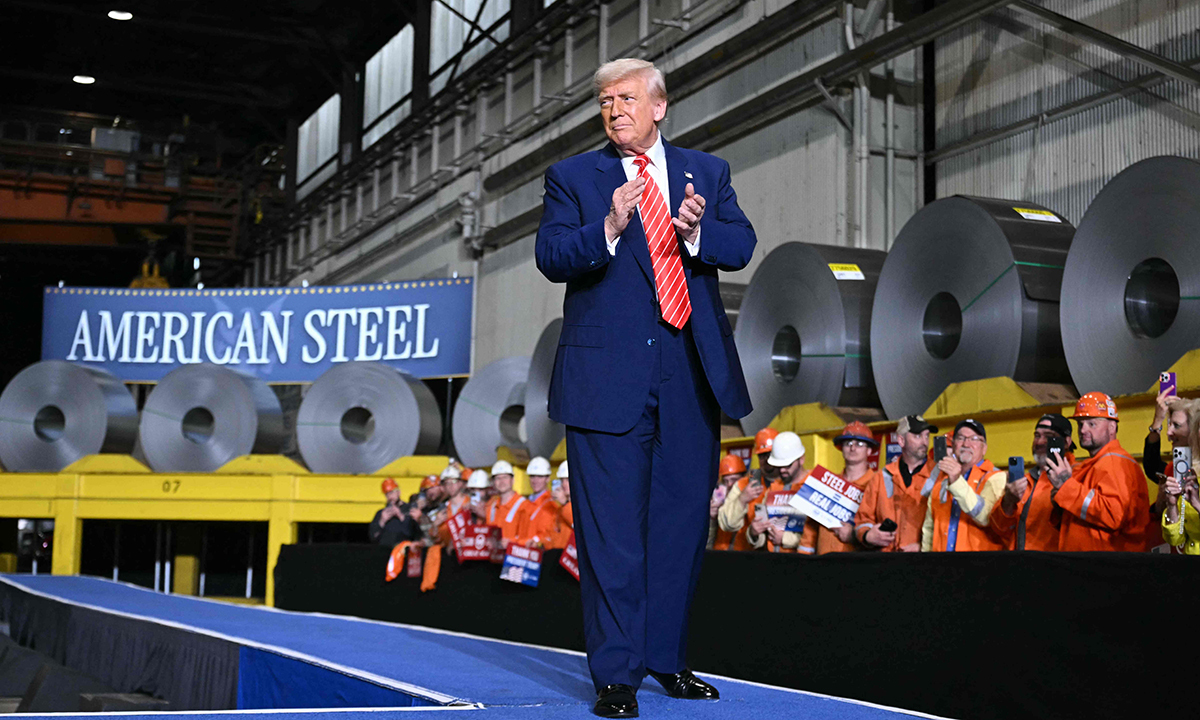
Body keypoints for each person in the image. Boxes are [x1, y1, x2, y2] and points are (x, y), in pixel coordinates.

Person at [535, 55, 756, 715]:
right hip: (606, 380)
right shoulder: (574, 177)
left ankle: (667, 658)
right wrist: (606, 227)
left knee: (681, 527)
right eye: (605, 101)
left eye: (626, 98)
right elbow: (551, 255)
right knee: (612, 535)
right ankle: (617, 674)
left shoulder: (706, 172)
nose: (614, 110)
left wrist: (697, 232)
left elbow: (741, 244)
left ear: (659, 106)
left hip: (690, 371)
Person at [1046, 392, 1149, 552]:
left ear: (1112, 427)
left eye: (1092, 424)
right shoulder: (1095, 464)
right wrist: (1059, 502)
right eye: (1080, 424)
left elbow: (1113, 515)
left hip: (1105, 562)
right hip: (1090, 561)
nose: (1083, 430)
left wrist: (1066, 487)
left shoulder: (1115, 463)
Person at [989, 414, 1076, 551]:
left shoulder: (1078, 476)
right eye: (1037, 435)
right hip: (1021, 562)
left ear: (1066, 442)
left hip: (1056, 562)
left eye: (1048, 436)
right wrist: (1008, 501)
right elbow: (1000, 530)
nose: (1039, 442)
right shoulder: (1024, 481)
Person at [921, 419, 1005, 552]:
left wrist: (956, 481)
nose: (966, 444)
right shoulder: (940, 484)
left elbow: (985, 517)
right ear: (954, 445)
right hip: (940, 563)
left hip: (979, 564)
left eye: (974, 439)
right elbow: (929, 531)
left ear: (984, 448)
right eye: (961, 438)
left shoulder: (996, 478)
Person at [855, 415, 936, 552]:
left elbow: (947, 525)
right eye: (917, 436)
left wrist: (924, 547)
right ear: (901, 440)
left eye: (926, 436)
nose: (924, 442)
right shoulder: (881, 477)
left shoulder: (939, 475)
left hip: (924, 561)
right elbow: (863, 519)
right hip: (887, 560)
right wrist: (868, 535)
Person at [799, 421, 878, 555]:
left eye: (859, 444)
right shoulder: (826, 484)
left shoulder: (877, 484)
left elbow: (882, 530)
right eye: (848, 443)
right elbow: (810, 530)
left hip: (859, 563)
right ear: (841, 448)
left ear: (869, 450)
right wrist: (804, 559)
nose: (852, 448)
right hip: (824, 561)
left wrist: (854, 535)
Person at [744, 431, 810, 552]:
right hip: (774, 559)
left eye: (788, 465)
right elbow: (762, 532)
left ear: (801, 459)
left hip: (803, 560)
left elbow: (822, 536)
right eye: (779, 465)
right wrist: (753, 532)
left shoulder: (815, 485)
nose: (782, 470)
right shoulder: (774, 489)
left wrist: (785, 538)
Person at [484, 460, 532, 542]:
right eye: (498, 478)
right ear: (494, 482)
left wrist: (511, 542)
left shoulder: (525, 506)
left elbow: (528, 539)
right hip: (495, 550)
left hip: (513, 550)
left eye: (505, 477)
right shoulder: (491, 507)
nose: (502, 481)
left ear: (512, 480)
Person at [525, 457, 567, 548]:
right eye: (532, 476)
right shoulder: (527, 502)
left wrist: (537, 541)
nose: (535, 480)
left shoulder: (552, 503)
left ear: (548, 478)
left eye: (540, 477)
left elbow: (549, 531)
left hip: (538, 549)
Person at [709, 454, 745, 550]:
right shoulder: (720, 505)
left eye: (734, 480)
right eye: (725, 481)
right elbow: (708, 545)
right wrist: (712, 520)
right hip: (719, 555)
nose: (729, 485)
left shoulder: (750, 502)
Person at [369, 478, 419, 545]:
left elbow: (414, 533)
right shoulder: (381, 513)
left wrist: (400, 515)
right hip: (385, 549)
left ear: (398, 492)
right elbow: (373, 537)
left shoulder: (410, 509)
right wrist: (382, 521)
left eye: (391, 493)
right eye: (387, 494)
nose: (390, 497)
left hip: (403, 548)